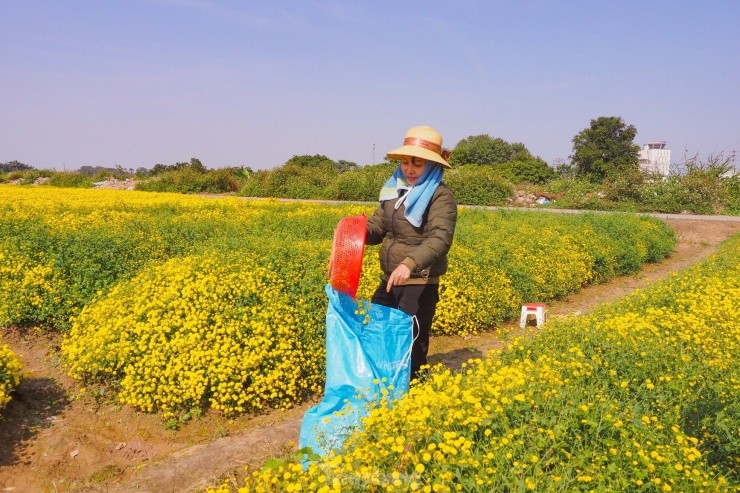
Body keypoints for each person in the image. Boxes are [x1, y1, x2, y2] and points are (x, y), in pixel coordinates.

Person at [366, 125, 458, 382]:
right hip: (390, 278)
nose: (409, 169)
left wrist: (409, 264)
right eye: (406, 163)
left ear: (431, 166)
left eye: (417, 164)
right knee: (381, 330)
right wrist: (358, 233)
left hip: (419, 280)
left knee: (413, 340)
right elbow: (378, 228)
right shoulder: (393, 192)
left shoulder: (440, 196)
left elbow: (440, 238)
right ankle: (386, 384)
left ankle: (415, 389)